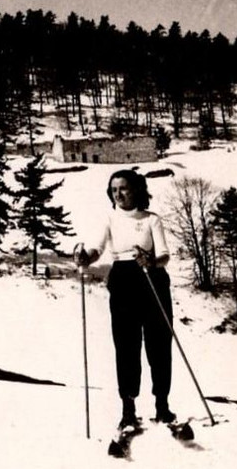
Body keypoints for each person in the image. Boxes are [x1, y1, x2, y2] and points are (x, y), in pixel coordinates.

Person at [74, 169, 175, 430]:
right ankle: (128, 409)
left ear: (137, 190)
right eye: (114, 190)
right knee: (126, 344)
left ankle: (162, 406)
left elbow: (164, 254)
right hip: (123, 280)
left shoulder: (152, 219)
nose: (118, 194)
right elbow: (97, 248)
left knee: (159, 343)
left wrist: (152, 261)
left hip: (152, 279)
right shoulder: (109, 218)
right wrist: (86, 256)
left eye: (124, 188)